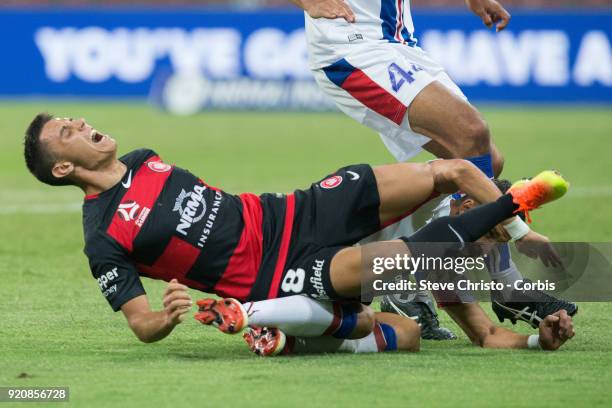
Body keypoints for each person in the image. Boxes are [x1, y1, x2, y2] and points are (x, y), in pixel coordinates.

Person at [23, 114, 573, 353]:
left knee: (449, 174)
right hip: (278, 277)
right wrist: (164, 317)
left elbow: (488, 338)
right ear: (63, 170)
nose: (82, 124)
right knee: (406, 304)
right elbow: (140, 323)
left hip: (297, 212)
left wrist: (520, 232)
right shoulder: (102, 236)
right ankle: (292, 326)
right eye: (68, 132)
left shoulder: (147, 160)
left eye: (75, 119)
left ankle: (515, 247)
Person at [290, 0, 576, 337]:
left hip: (399, 43)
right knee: (470, 136)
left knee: (484, 161)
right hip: (352, 47)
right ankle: (505, 286)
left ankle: (396, 281)